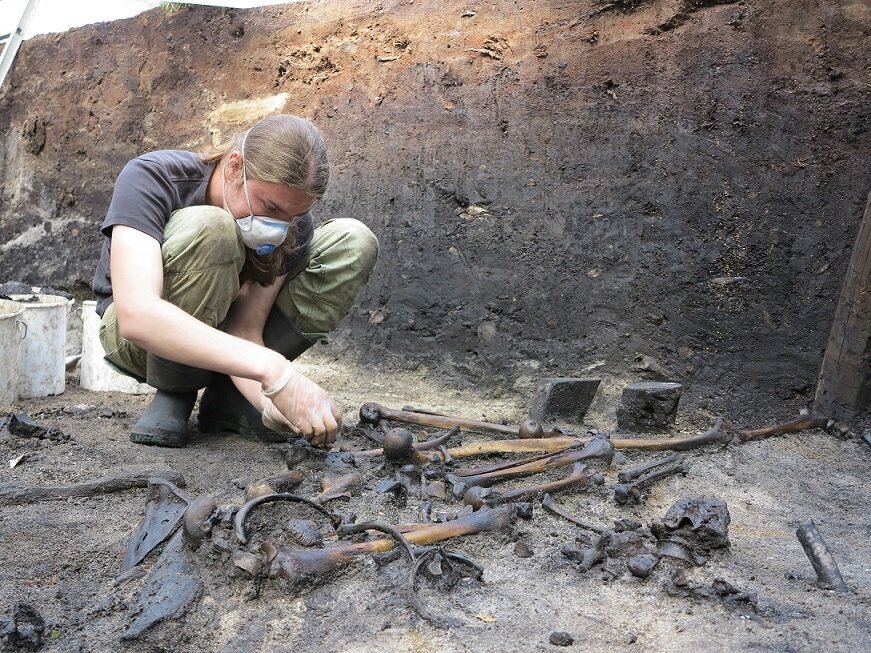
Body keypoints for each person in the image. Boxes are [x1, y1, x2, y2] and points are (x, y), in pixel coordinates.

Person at [91, 114, 378, 449]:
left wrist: (268, 399)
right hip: (141, 344)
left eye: (292, 216)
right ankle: (176, 390)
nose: (279, 226)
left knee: (352, 241)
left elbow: (245, 328)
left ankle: (229, 399)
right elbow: (136, 315)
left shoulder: (290, 223)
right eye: (270, 206)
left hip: (233, 347)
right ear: (233, 167)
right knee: (214, 228)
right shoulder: (152, 177)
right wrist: (274, 370)